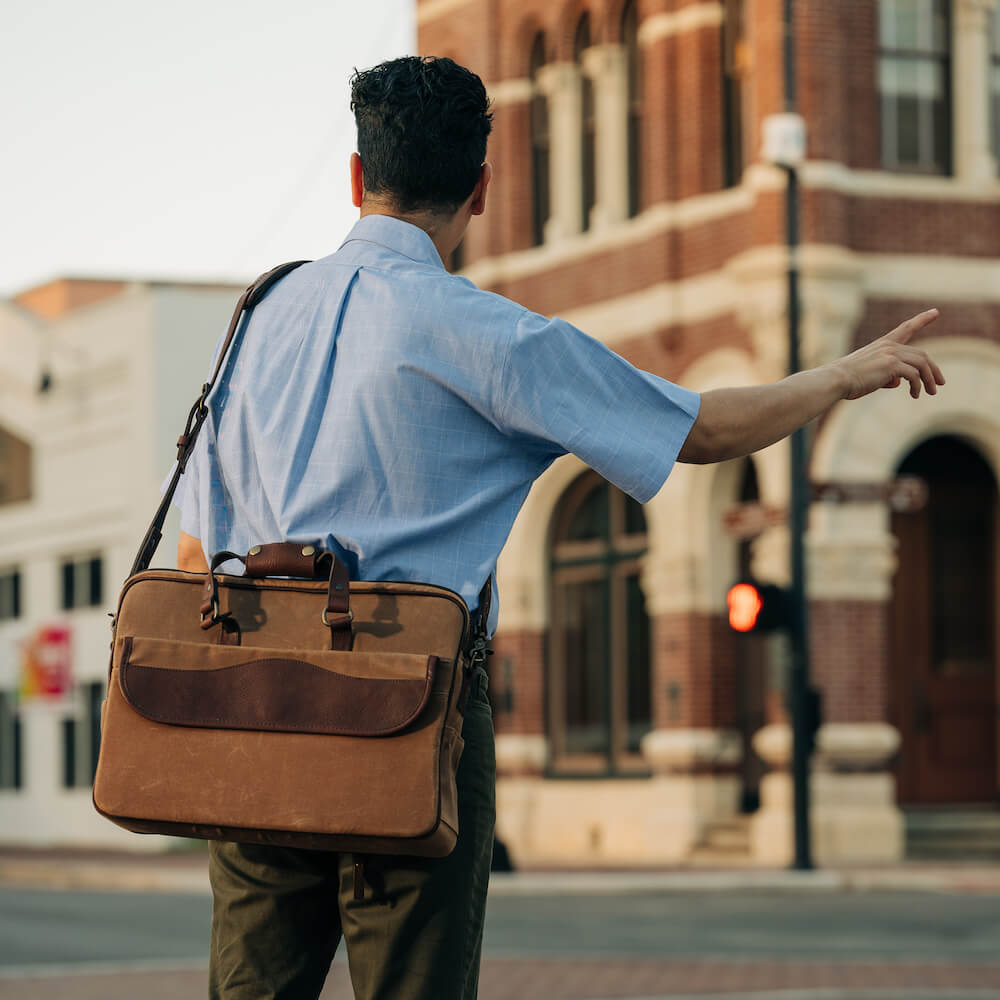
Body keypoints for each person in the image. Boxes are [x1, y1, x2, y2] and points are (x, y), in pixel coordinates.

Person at [174, 56, 944, 1000]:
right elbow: (699, 428)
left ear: (355, 177)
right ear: (482, 189)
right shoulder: (493, 337)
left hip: (252, 706)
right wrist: (840, 375)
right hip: (410, 710)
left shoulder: (254, 319)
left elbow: (190, 542)